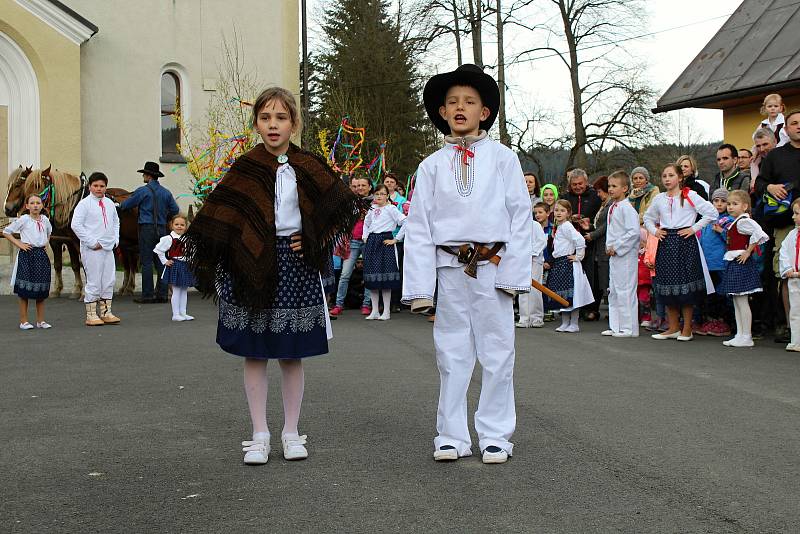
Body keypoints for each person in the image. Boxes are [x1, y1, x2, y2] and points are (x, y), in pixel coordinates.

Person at [183, 87, 361, 465]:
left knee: (291, 354)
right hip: (252, 266)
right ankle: (260, 433)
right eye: (265, 118)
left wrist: (314, 240)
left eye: (281, 118)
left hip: (296, 267)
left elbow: (341, 210)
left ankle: (291, 432)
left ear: (294, 123)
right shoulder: (245, 167)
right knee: (255, 352)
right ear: (257, 124)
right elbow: (222, 216)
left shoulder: (309, 165)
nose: (273, 125)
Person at [403, 64, 532, 464]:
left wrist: (513, 272)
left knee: (497, 351)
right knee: (451, 352)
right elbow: (420, 226)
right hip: (449, 267)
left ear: (485, 112)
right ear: (442, 112)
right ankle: (451, 434)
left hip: (491, 265)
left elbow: (520, 216)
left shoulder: (503, 159)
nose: (461, 107)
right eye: (453, 102)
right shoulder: (431, 166)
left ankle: (495, 434)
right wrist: (421, 288)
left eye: (470, 102)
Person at [644, 164, 717, 341]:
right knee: (667, 286)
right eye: (664, 176)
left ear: (680, 178)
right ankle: (673, 327)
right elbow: (648, 218)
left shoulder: (689, 195)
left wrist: (694, 228)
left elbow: (712, 212)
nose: (667, 179)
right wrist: (655, 231)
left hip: (685, 242)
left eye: (671, 175)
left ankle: (687, 328)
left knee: (685, 286)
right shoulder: (660, 199)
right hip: (666, 242)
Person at [119, 161, 179, 304]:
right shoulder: (166, 192)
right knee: (161, 261)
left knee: (146, 262)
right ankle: (162, 294)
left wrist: (118, 205)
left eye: (144, 174)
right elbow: (175, 210)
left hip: (146, 228)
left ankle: (147, 295)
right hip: (162, 229)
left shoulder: (142, 191)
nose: (143, 177)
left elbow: (126, 205)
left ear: (149, 176)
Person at [715, 190, 768, 347]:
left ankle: (747, 335)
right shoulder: (735, 222)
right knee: (737, 300)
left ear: (745, 206)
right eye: (729, 204)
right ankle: (740, 333)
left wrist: (748, 250)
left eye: (735, 204)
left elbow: (759, 234)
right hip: (735, 261)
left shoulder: (744, 221)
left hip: (741, 262)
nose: (730, 207)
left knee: (742, 300)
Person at [71, 172, 121, 326]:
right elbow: (76, 225)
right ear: (90, 186)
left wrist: (115, 240)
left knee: (109, 279)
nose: (99, 189)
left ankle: (106, 312)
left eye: (102, 186)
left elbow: (115, 222)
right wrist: (92, 242)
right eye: (96, 186)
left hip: (108, 248)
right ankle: (91, 314)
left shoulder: (110, 203)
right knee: (94, 280)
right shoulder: (84, 204)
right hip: (93, 249)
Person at [3, 195, 52, 329]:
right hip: (27, 255)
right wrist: (20, 244)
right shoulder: (24, 219)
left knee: (41, 289)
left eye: (38, 203)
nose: (35, 205)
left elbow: (49, 233)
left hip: (41, 255)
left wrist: (45, 244)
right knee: (24, 290)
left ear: (42, 205)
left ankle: (40, 320)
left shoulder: (45, 220)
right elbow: (6, 232)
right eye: (32, 203)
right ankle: (23, 321)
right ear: (27, 206)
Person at [545, 199, 594, 332]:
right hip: (560, 264)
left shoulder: (567, 226)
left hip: (567, 263)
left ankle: (574, 323)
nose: (558, 213)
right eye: (556, 210)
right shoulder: (559, 227)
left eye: (562, 210)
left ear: (568, 213)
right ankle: (565, 322)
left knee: (572, 294)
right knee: (563, 295)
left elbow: (580, 240)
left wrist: (578, 256)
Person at [602, 171, 640, 337]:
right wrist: (608, 245)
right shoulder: (612, 207)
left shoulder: (627, 208)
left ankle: (628, 328)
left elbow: (633, 232)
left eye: (614, 186)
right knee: (615, 290)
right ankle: (615, 325)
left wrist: (616, 246)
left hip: (625, 257)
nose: (610, 189)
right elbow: (612, 231)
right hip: (614, 256)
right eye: (609, 186)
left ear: (624, 188)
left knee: (625, 290)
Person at [330, 175, 373, 316]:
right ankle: (338, 304)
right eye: (357, 185)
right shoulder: (350, 202)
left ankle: (366, 304)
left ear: (370, 187)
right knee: (345, 274)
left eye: (363, 185)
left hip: (368, 241)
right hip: (353, 241)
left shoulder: (375, 202)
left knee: (368, 275)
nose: (360, 188)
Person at [362, 184, 405, 321]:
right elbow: (366, 223)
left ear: (387, 196)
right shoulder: (372, 208)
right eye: (377, 194)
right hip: (372, 242)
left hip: (385, 242)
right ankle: (374, 310)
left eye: (382, 194)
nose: (379, 196)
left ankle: (386, 311)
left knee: (386, 278)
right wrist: (365, 236)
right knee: (373, 278)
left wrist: (396, 239)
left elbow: (405, 221)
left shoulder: (391, 208)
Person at [696, 188, 734, 337]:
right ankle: (711, 321)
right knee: (709, 295)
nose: (719, 204)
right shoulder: (707, 219)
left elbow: (733, 239)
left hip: (720, 264)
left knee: (721, 294)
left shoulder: (728, 220)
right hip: (707, 263)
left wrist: (722, 232)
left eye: (723, 201)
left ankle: (723, 322)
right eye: (716, 201)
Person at [154, 214, 196, 322]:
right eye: (176, 224)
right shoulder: (169, 238)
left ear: (186, 227)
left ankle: (183, 312)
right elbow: (159, 250)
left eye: (182, 225)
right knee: (176, 291)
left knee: (184, 290)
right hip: (176, 265)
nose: (179, 226)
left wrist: (191, 261)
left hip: (185, 266)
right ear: (171, 225)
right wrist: (165, 261)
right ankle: (176, 314)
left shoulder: (187, 239)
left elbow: (191, 252)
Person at [582, 175, 610, 321]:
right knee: (600, 280)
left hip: (605, 245)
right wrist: (590, 226)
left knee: (607, 280)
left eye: (600, 191)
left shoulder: (612, 205)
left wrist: (592, 234)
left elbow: (606, 226)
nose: (598, 195)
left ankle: (613, 311)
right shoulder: (604, 204)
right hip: (598, 248)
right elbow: (600, 225)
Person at [516, 204, 547, 328]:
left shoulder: (535, 225)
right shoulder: (517, 226)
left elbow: (542, 241)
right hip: (522, 260)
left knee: (535, 289)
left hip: (535, 260)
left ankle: (537, 317)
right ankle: (524, 317)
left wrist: (532, 253)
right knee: (522, 288)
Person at [779, 199, 800, 352]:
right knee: (795, 311)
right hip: (794, 278)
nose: (793, 217)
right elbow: (783, 252)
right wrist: (787, 269)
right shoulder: (792, 234)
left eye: (797, 214)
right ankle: (796, 340)